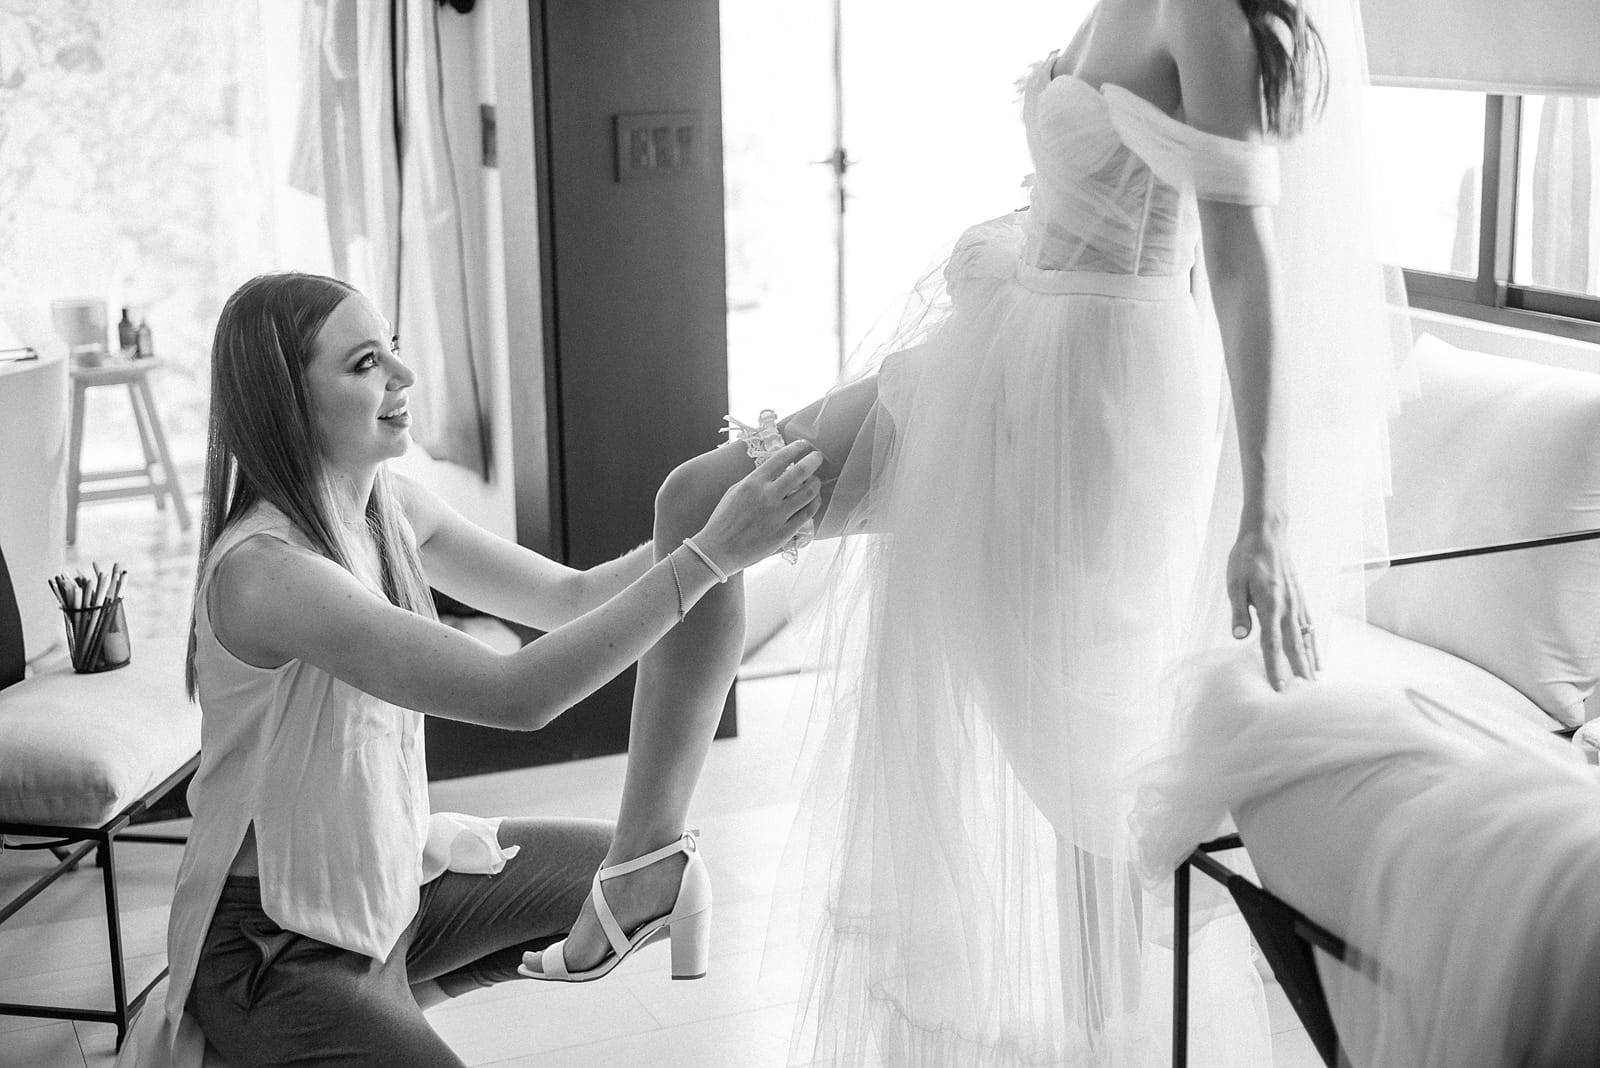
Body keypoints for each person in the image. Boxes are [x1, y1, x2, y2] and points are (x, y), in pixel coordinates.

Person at [524, 0, 1403, 1063]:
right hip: (1005, 344)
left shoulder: (1207, 13)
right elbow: (1093, 185)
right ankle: (646, 862)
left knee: (1087, 781)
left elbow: (1242, 260)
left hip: (1101, 403)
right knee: (700, 498)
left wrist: (1265, 513)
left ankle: (1122, 1039)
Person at [116, 270, 824, 1067]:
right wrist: (709, 555)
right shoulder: (265, 573)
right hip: (274, 948)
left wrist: (709, 523)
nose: (404, 375)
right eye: (365, 364)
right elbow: (516, 695)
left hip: (391, 891)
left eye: (392, 349)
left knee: (635, 871)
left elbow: (569, 597)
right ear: (288, 402)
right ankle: (307, 1032)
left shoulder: (390, 506)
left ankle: (383, 1005)